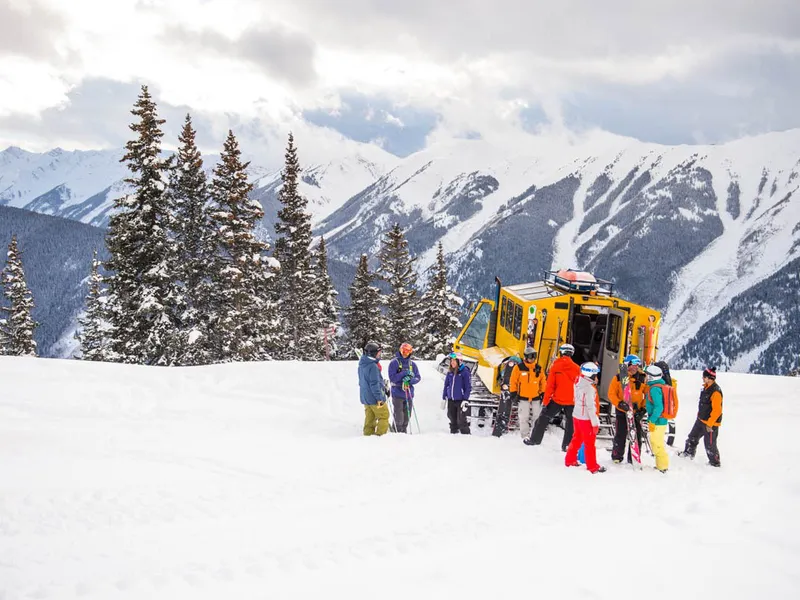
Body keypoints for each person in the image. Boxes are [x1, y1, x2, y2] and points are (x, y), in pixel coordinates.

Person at [525, 343, 580, 450]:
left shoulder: (555, 366)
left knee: (543, 419)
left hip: (557, 399)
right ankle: (567, 446)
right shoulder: (577, 368)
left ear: (561, 353)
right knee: (571, 424)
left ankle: (535, 440)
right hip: (572, 401)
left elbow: (550, 386)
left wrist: (545, 402)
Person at [565, 362, 606, 473]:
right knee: (589, 443)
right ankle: (592, 466)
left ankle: (570, 459)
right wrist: (595, 423)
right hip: (586, 419)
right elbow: (590, 407)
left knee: (576, 438)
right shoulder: (589, 388)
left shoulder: (578, 381)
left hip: (577, 415)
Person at [678, 367, 722, 467]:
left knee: (710, 445)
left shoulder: (716, 392)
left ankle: (715, 463)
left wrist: (710, 424)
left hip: (710, 424)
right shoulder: (706, 388)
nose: (702, 378)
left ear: (709, 378)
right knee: (692, 438)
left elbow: (717, 410)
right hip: (701, 420)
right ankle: (688, 454)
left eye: (704, 376)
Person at [608, 354, 648, 463]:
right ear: (627, 365)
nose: (635, 367)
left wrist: (643, 409)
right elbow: (611, 394)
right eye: (633, 365)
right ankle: (617, 456)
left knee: (636, 436)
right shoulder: (618, 378)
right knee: (620, 434)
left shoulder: (642, 378)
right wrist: (619, 404)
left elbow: (648, 395)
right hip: (622, 411)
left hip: (636, 412)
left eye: (637, 365)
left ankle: (633, 458)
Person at [510, 347, 547, 439]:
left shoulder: (538, 368)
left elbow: (543, 381)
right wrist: (513, 393)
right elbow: (513, 381)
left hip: (536, 397)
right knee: (523, 417)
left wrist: (543, 392)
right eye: (530, 356)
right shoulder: (518, 368)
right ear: (526, 357)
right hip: (523, 397)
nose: (532, 359)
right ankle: (525, 435)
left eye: (534, 356)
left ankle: (535, 435)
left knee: (537, 417)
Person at [387, 342, 421, 433]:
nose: (405, 353)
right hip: (397, 393)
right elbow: (393, 378)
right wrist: (404, 373)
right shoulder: (394, 363)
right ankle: (397, 431)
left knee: (407, 416)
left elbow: (418, 377)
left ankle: (403, 432)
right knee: (399, 417)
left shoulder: (412, 364)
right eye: (403, 351)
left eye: (407, 351)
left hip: (408, 393)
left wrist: (410, 380)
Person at [358, 341, 389, 436]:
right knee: (384, 415)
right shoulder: (373, 366)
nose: (380, 355)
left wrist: (383, 387)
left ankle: (368, 437)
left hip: (366, 398)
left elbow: (363, 381)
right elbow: (374, 384)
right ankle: (380, 436)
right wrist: (380, 398)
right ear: (373, 353)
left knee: (370, 418)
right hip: (375, 399)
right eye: (378, 353)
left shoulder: (362, 364)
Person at [644, 364, 669, 473]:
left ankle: (663, 467)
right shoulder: (658, 387)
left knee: (657, 444)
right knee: (656, 443)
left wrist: (652, 420)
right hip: (660, 420)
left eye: (646, 375)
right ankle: (660, 465)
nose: (645, 377)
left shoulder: (654, 389)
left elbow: (659, 407)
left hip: (658, 421)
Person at [443, 352, 472, 434]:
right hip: (451, 399)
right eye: (451, 361)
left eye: (454, 361)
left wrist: (465, 399)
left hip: (461, 400)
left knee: (461, 419)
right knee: (451, 417)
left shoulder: (464, 372)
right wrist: (444, 397)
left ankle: (465, 435)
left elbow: (468, 387)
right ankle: (454, 433)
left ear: (459, 361)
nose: (452, 362)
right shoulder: (450, 372)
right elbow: (446, 385)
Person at [492, 355, 521, 437]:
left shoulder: (510, 364)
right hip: (510, 388)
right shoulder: (514, 365)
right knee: (505, 407)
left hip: (507, 388)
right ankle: (502, 427)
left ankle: (500, 428)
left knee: (504, 407)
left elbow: (503, 375)